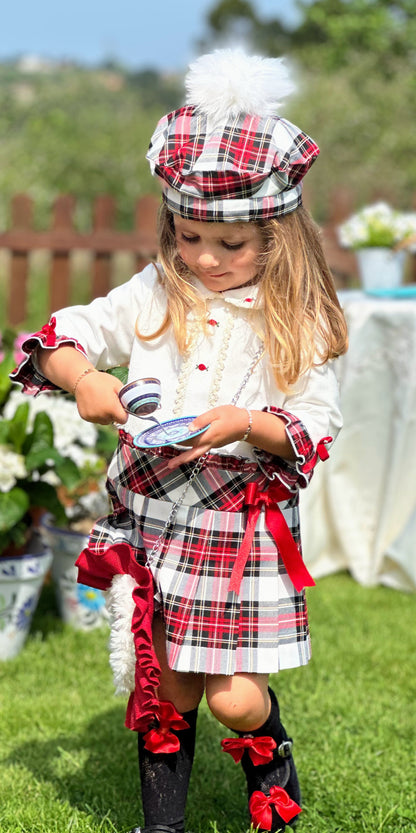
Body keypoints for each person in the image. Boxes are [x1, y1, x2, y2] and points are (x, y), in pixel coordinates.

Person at [12, 49, 348, 833]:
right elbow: (60, 336)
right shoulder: (157, 289)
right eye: (189, 236)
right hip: (156, 512)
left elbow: (317, 422)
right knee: (169, 687)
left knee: (229, 694)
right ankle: (160, 824)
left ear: (277, 232)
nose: (203, 257)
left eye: (229, 245)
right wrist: (85, 379)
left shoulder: (295, 317)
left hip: (238, 525)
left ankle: (270, 758)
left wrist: (245, 424)